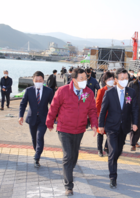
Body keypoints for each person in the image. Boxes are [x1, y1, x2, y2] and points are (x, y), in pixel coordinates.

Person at [46, 68, 98, 196]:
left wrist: (95, 124)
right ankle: (68, 185)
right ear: (73, 79)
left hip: (80, 129)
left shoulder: (89, 92)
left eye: (85, 78)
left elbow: (92, 110)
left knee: (74, 156)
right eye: (81, 78)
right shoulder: (63, 91)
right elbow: (54, 107)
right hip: (64, 129)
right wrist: (49, 121)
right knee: (68, 156)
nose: (84, 81)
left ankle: (69, 169)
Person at [99, 68, 138, 189]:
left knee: (118, 151)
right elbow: (103, 110)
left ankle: (113, 160)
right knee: (113, 150)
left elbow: (134, 109)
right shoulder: (109, 93)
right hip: (111, 127)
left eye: (126, 78)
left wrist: (135, 123)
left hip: (124, 127)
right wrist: (100, 125)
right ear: (116, 80)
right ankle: (112, 177)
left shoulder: (131, 92)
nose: (124, 81)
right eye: (122, 79)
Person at [18, 71, 53, 167]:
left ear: (43, 80)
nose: (38, 82)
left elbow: (53, 105)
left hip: (43, 119)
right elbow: (23, 104)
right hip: (32, 118)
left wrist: (54, 118)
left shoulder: (48, 91)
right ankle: (37, 151)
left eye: (40, 80)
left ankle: (37, 157)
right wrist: (20, 116)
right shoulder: (28, 90)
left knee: (39, 137)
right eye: (36, 80)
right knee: (34, 138)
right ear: (33, 80)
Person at [96, 72, 115, 157]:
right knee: (100, 133)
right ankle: (99, 149)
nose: (111, 81)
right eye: (108, 79)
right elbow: (98, 104)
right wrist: (99, 117)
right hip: (102, 116)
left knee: (110, 134)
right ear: (105, 80)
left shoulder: (116, 90)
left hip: (112, 117)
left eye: (112, 79)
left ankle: (106, 148)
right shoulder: (101, 91)